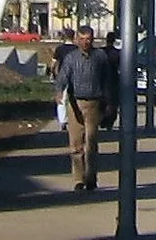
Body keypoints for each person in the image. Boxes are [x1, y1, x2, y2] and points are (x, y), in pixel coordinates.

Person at [57, 26, 106, 191]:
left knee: (91, 142)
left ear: (93, 40)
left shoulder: (100, 57)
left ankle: (91, 177)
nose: (85, 42)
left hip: (94, 103)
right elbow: (63, 76)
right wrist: (59, 91)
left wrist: (110, 102)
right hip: (75, 104)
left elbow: (108, 79)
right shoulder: (71, 58)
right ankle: (78, 179)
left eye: (88, 39)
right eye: (82, 39)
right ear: (77, 40)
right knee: (76, 144)